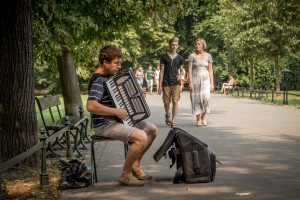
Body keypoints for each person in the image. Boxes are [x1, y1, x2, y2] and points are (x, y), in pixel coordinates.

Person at [86, 45, 157, 187]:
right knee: (140, 137)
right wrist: (115, 111)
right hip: (104, 124)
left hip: (118, 121)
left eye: (119, 63)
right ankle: (125, 175)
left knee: (152, 130)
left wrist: (138, 92)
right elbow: (91, 106)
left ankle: (135, 166)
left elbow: (122, 97)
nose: (119, 66)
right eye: (116, 63)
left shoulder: (109, 77)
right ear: (105, 62)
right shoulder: (98, 81)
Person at [158, 38, 184, 128]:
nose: (174, 47)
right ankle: (167, 115)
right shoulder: (164, 57)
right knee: (166, 102)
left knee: (175, 101)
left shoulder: (180, 58)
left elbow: (182, 71)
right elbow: (161, 71)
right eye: (172, 45)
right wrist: (160, 85)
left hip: (176, 82)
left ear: (178, 46)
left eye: (176, 45)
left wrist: (180, 75)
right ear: (170, 45)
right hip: (166, 82)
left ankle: (173, 121)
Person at [188, 38, 214, 127]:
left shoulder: (208, 56)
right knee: (196, 99)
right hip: (195, 79)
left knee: (206, 98)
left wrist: (212, 83)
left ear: (203, 45)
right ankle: (198, 119)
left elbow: (210, 70)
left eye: (199, 44)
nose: (197, 46)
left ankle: (204, 117)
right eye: (196, 44)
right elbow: (189, 70)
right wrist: (190, 82)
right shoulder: (192, 56)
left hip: (206, 79)